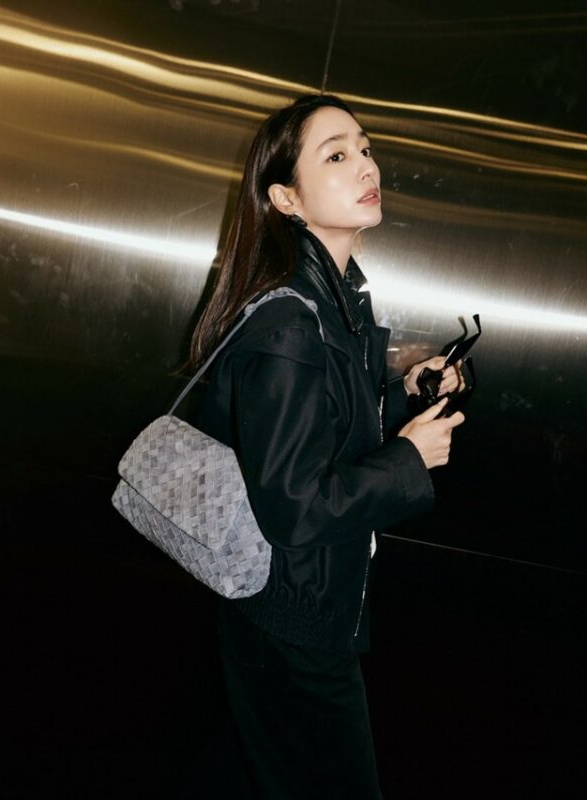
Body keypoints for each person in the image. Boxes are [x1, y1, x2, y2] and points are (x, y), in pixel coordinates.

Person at [189, 94, 465, 800]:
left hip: (302, 610)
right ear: (286, 198)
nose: (367, 166)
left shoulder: (335, 299)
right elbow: (294, 504)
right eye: (336, 155)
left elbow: (328, 421)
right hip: (292, 626)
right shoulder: (292, 319)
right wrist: (407, 460)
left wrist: (407, 388)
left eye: (365, 148)